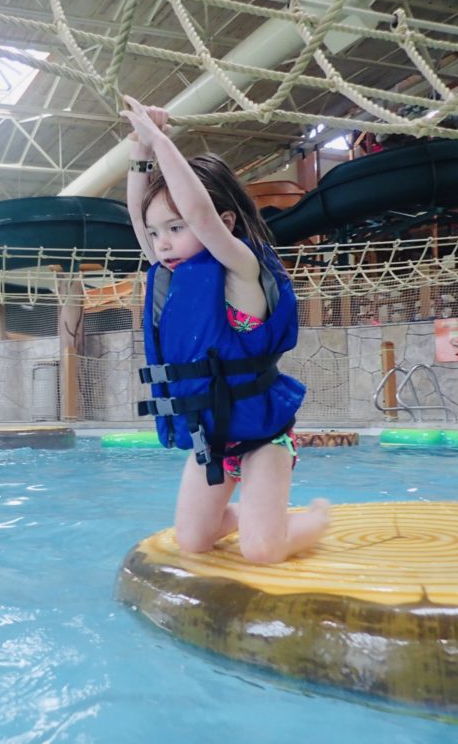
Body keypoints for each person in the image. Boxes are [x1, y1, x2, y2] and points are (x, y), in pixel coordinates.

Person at [122, 95, 329, 564]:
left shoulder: (241, 268)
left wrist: (160, 141)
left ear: (225, 223)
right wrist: (139, 154)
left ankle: (316, 519)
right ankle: (259, 515)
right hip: (211, 436)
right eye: (157, 234)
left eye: (174, 228)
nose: (162, 243)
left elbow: (199, 216)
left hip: (262, 438)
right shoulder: (173, 269)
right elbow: (140, 218)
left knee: (262, 552)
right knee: (192, 540)